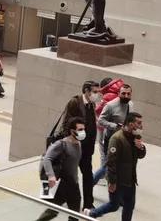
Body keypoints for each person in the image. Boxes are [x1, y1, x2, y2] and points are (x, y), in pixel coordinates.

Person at [85, 112, 146, 220]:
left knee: (129, 206)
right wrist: (112, 182)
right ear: (131, 124)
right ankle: (92, 214)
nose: (142, 125)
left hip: (130, 179)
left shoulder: (135, 137)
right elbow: (111, 162)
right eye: (139, 123)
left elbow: (140, 155)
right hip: (118, 180)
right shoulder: (117, 139)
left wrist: (141, 147)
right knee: (114, 205)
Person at [61, 81, 100, 211]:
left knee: (87, 175)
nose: (97, 94)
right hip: (75, 147)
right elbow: (67, 124)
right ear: (86, 91)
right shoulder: (75, 102)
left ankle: (88, 203)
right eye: (94, 92)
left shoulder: (92, 105)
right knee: (70, 175)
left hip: (87, 149)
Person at [37, 117, 86, 221]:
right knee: (52, 212)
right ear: (72, 131)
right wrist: (51, 175)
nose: (83, 132)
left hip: (74, 184)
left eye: (83, 129)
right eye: (80, 130)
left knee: (75, 214)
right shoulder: (62, 144)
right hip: (63, 184)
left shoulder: (79, 144)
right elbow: (47, 159)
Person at [93, 77, 124, 186]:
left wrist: (96, 105)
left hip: (105, 127)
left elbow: (98, 110)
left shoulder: (108, 96)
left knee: (103, 150)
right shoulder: (119, 92)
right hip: (117, 127)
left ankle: (102, 175)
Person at [98, 84, 133, 162]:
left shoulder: (130, 104)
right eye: (123, 93)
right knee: (107, 165)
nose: (126, 96)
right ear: (118, 93)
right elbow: (100, 121)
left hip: (125, 139)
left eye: (128, 94)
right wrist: (115, 126)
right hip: (111, 139)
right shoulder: (110, 105)